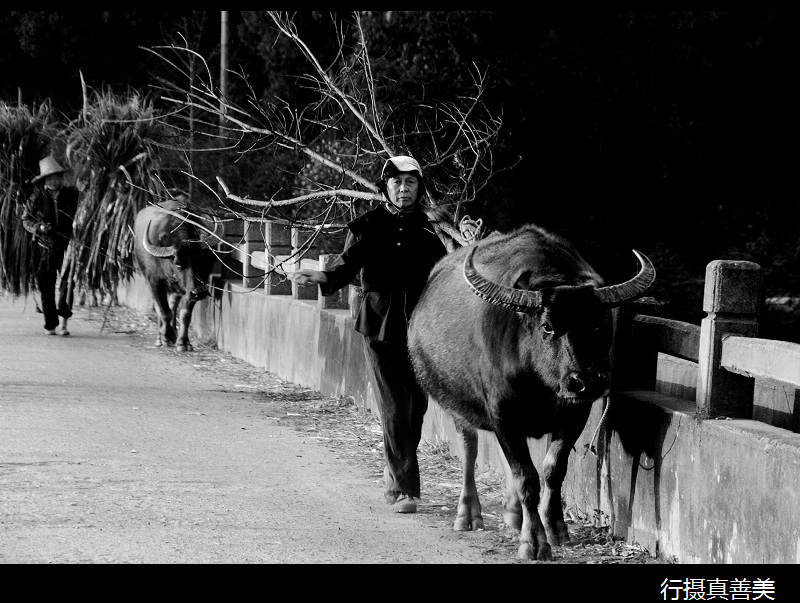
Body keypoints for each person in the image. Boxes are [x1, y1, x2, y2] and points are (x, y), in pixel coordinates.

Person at [290, 155, 447, 513]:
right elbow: (350, 264)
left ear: (419, 188)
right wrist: (325, 277)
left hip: (422, 328)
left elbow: (445, 272)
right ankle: (406, 489)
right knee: (394, 406)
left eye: (410, 183)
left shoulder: (431, 229)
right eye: (396, 183)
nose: (403, 189)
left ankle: (395, 475)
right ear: (385, 187)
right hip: (380, 324)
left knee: (416, 408)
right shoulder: (368, 226)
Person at [22, 155, 80, 336]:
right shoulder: (36, 198)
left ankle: (64, 322)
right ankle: (51, 325)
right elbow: (26, 220)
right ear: (45, 180)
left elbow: (82, 214)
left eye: (58, 176)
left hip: (67, 247)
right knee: (46, 287)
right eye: (51, 177)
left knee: (67, 284)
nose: (55, 179)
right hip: (43, 248)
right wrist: (38, 227)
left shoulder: (72, 195)